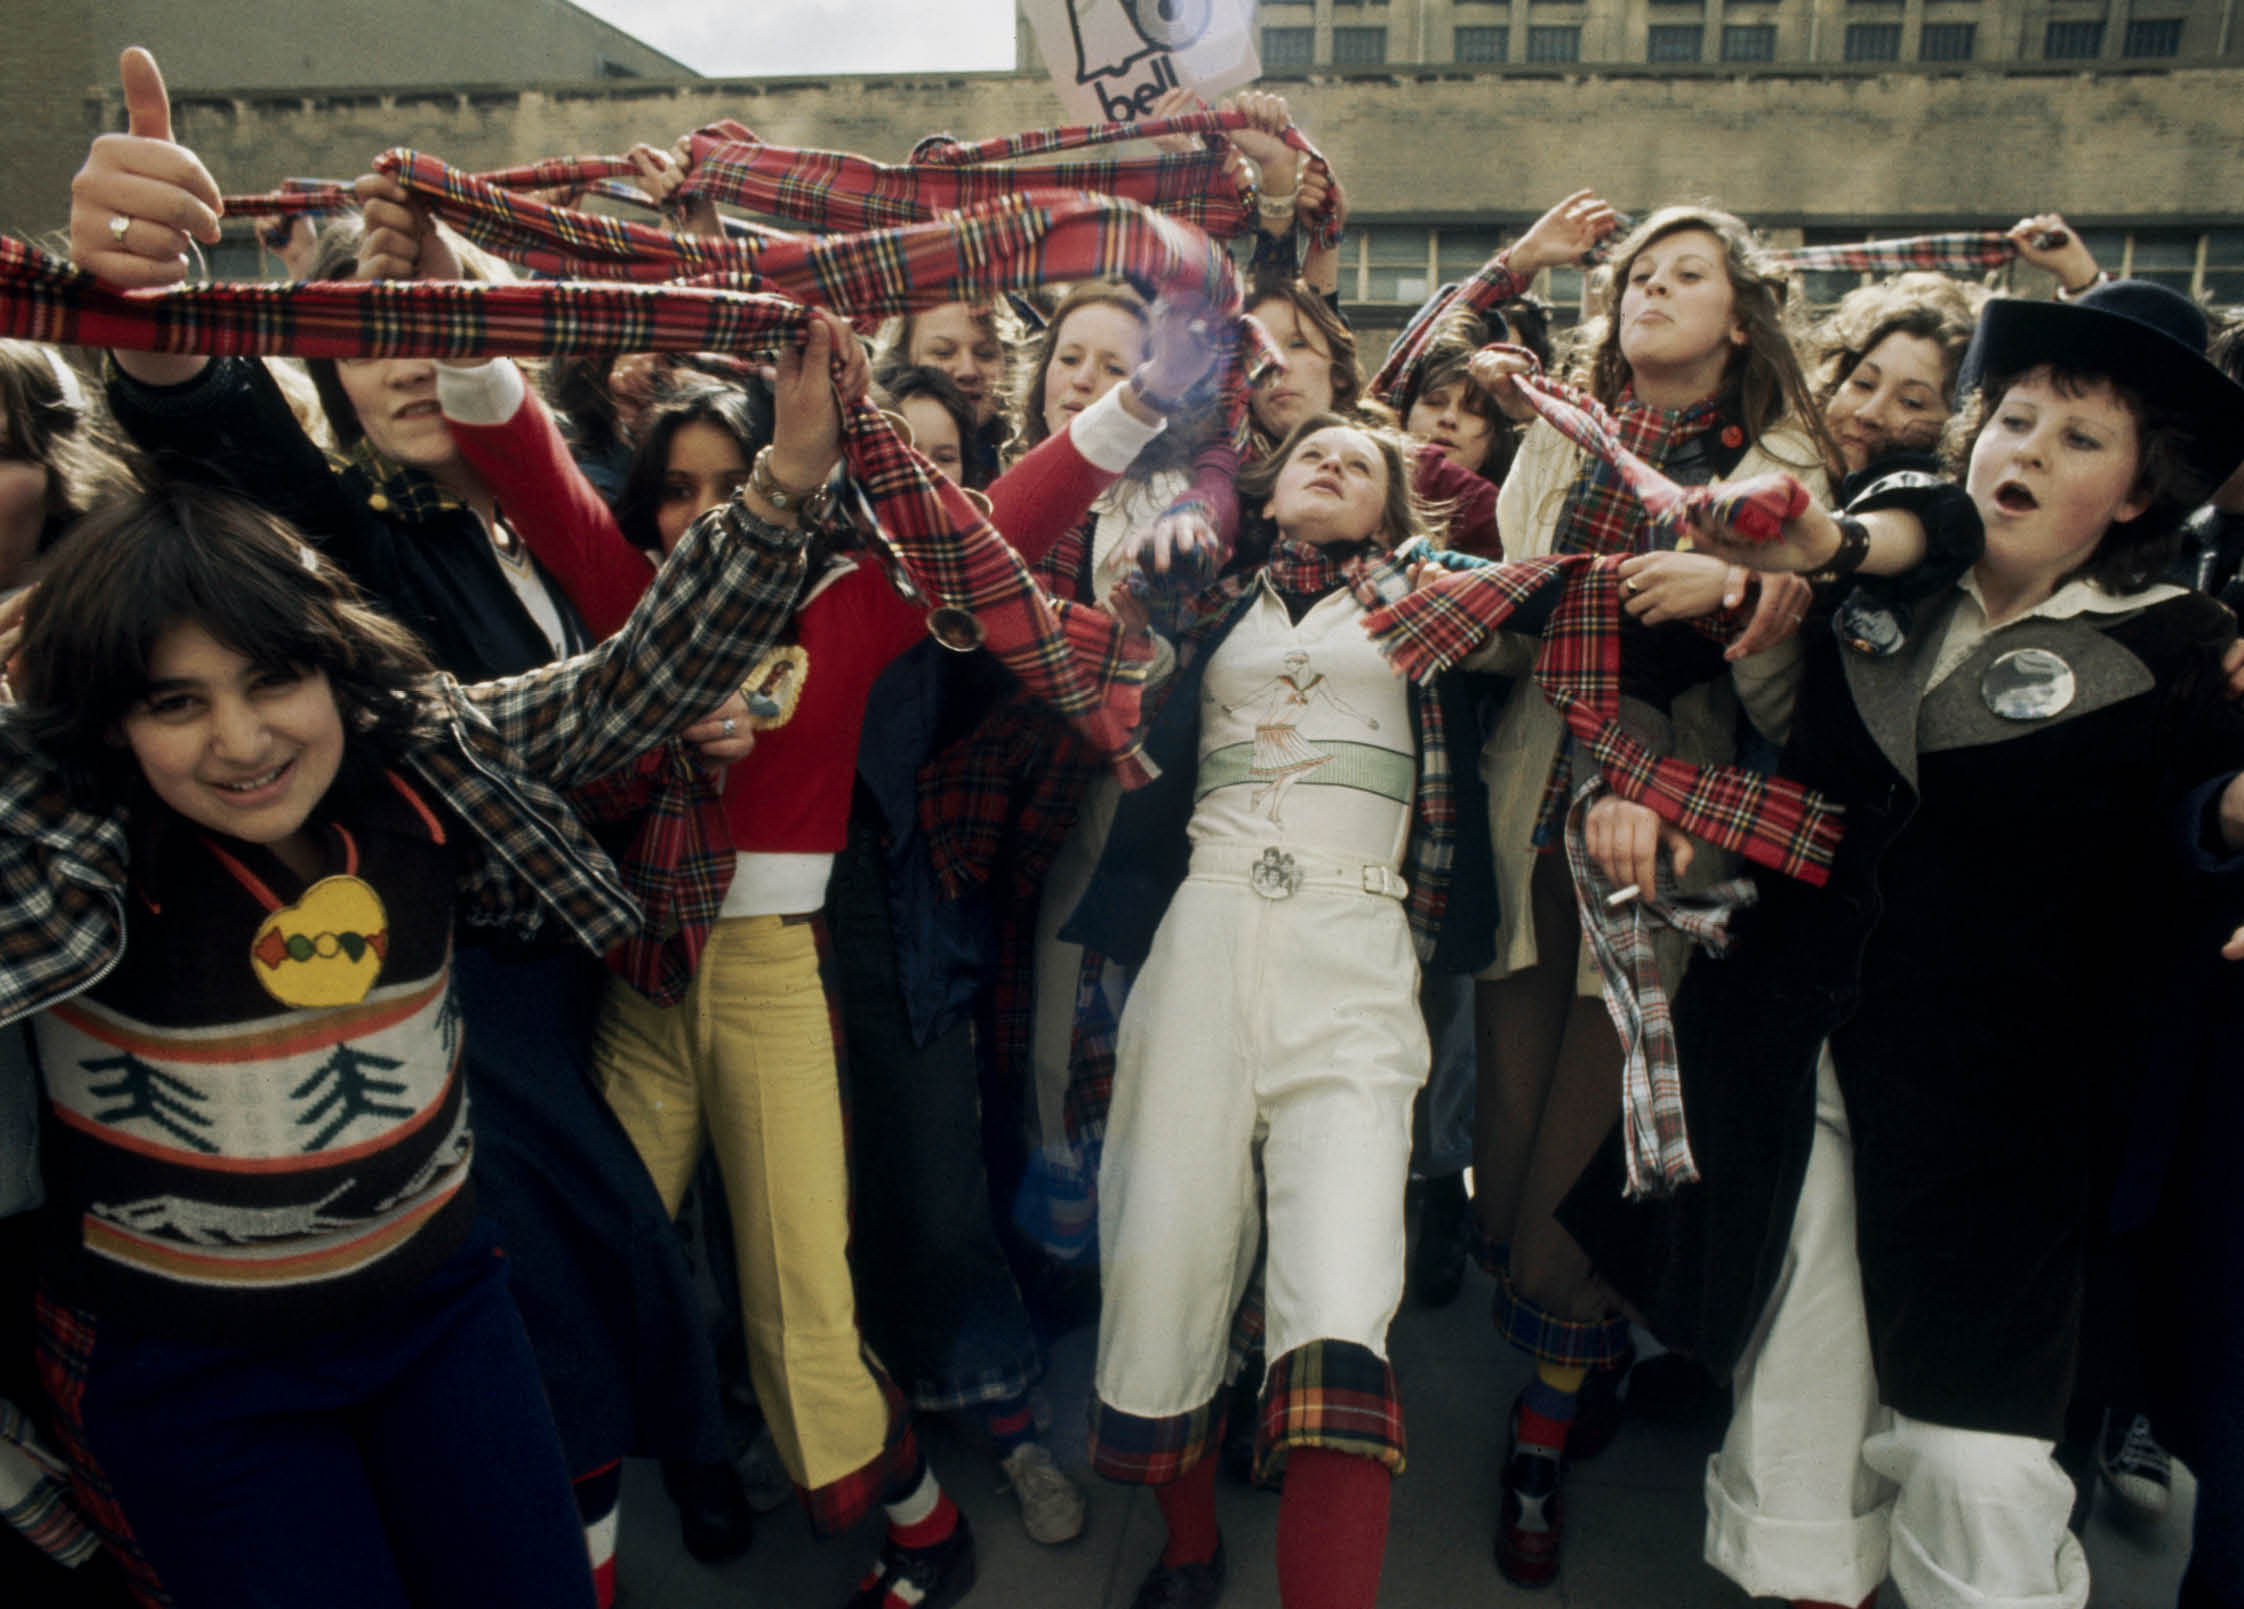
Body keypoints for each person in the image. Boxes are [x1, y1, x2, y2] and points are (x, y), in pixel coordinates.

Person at [0, 296, 842, 1604]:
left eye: (272, 680)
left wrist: (787, 479)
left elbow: (640, 682)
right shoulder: (73, 838)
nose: (241, 740)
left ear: (334, 666)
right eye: (176, 702)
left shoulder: (419, 755)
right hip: (198, 1382)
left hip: (443, 1321)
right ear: (110, 724)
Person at [1571, 277, 2244, 1609]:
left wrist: (2229, 814)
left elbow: (2194, 845)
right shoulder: (1884, 583)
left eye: (2080, 438)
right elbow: (1769, 703)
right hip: (1802, 1064)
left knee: (1972, 1461)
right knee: (1800, 1413)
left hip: (2005, 1125)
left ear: (2139, 493)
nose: (2030, 450)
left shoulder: (2186, 651)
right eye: (2018, 417)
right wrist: (1653, 761)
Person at [1064, 415, 1499, 1609]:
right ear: (1271, 482)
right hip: (1200, 938)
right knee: (1163, 1252)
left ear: (1393, 508)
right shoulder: (1198, 596)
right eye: (1315, 448)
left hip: (1356, 949)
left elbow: (1556, 576)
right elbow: (1110, 686)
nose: (1334, 462)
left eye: (1364, 460)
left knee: (1343, 1286)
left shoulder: (1437, 604)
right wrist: (1146, 605)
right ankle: (1191, 1546)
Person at [1460, 201, 1833, 1589]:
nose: (1655, 291)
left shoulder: (1791, 474)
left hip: (1668, 827)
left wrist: (1744, 607)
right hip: (1530, 803)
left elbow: (1790, 701)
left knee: (1593, 1157)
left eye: (1691, 276)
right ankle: (1583, 1362)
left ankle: (1542, 1440)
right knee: (1511, 1123)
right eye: (1640, 275)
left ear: (1741, 321)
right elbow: (1518, 593)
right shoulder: (1564, 431)